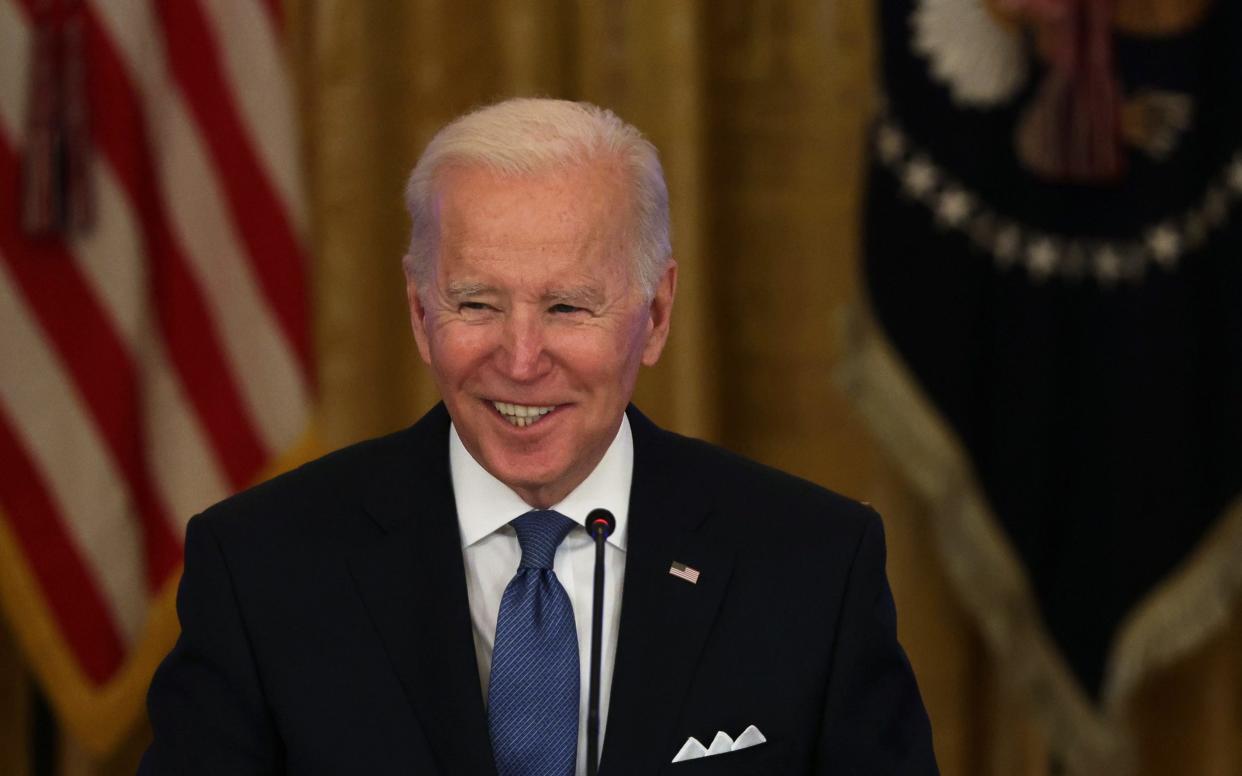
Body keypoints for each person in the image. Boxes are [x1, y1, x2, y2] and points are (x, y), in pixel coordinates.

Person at [140, 98, 938, 775]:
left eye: (567, 308)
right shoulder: (259, 569)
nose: (520, 362)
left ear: (655, 316)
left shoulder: (813, 566)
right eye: (478, 304)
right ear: (421, 314)